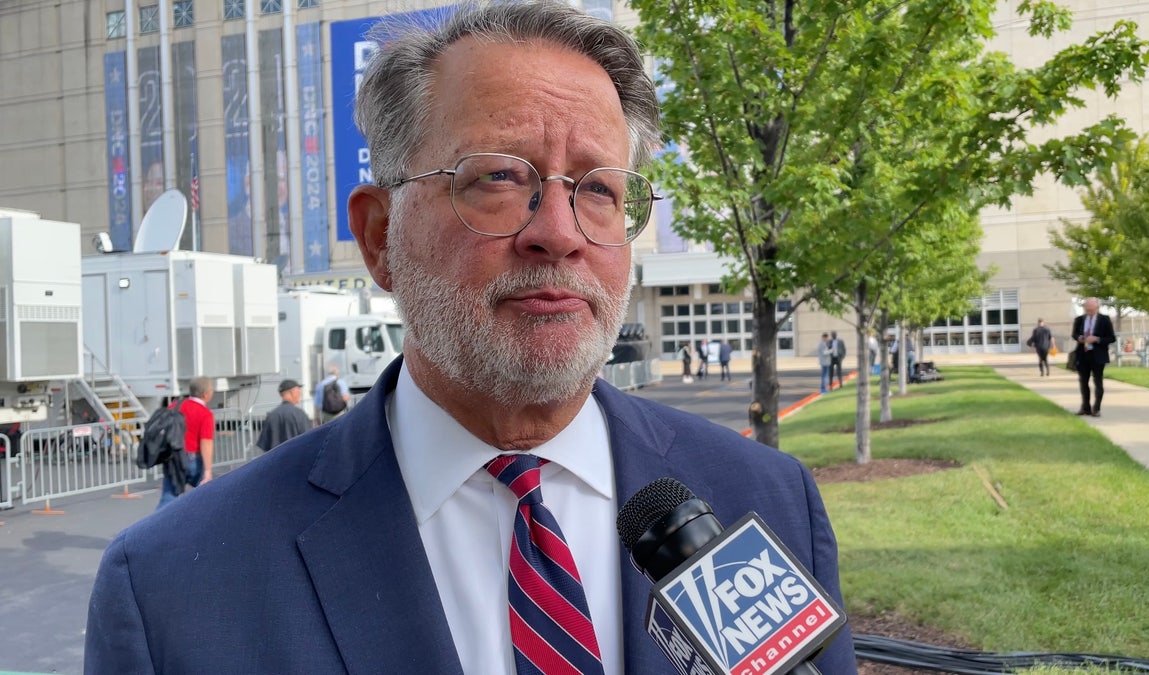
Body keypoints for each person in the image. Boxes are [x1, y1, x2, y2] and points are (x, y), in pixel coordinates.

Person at [84, 3, 856, 673]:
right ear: (380, 237)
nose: (559, 234)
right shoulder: (174, 590)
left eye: (598, 189)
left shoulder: (767, 501)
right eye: (497, 178)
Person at [156, 376, 214, 510]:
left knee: (169, 497)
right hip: (193, 458)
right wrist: (208, 471)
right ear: (206, 394)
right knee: (206, 494)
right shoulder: (205, 413)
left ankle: (156, 526)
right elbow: (206, 442)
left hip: (174, 457)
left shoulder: (175, 406)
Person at [1071, 297, 1116, 416]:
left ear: (1097, 308)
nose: (1088, 312)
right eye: (1087, 309)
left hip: (1098, 355)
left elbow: (1111, 338)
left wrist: (1097, 339)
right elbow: (1074, 334)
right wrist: (1079, 338)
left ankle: (1096, 409)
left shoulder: (1104, 320)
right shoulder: (1079, 320)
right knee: (1083, 382)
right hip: (1083, 354)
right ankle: (1085, 407)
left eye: (1091, 309)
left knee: (1098, 382)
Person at [255, 379, 311, 452]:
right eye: (298, 392)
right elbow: (309, 439)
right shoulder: (299, 414)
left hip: (276, 460)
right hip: (296, 458)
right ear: (292, 392)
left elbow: (264, 444)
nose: (300, 395)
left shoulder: (272, 415)